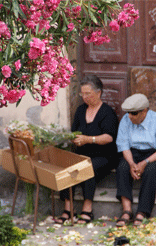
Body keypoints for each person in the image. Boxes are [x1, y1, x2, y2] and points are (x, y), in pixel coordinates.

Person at [54, 75, 119, 224]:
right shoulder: (80, 110)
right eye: (82, 94)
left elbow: (109, 137)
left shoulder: (107, 112)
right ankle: (69, 208)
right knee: (67, 166)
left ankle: (87, 209)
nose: (85, 97)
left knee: (87, 167)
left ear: (98, 93)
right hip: (82, 153)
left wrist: (89, 139)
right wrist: (73, 138)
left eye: (88, 94)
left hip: (104, 156)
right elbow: (74, 131)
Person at [115, 93, 156, 227]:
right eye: (129, 113)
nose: (130, 116)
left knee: (150, 170)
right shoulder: (126, 119)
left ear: (144, 111)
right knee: (122, 167)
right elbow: (123, 145)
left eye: (134, 114)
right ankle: (127, 210)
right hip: (134, 153)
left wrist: (144, 163)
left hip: (155, 154)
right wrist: (131, 164)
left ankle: (142, 212)